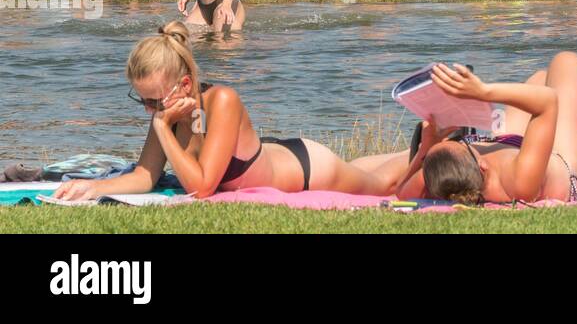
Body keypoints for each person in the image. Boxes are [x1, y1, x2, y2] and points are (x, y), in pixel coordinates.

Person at [52, 23, 401, 200]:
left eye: (155, 101)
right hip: (278, 155)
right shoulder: (168, 111)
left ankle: (437, 142)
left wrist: (162, 128)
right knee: (366, 167)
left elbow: (202, 187)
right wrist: (95, 187)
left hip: (308, 169)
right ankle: (410, 151)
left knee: (384, 185)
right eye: (142, 100)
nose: (149, 110)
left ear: (186, 85)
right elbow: (146, 175)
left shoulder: (222, 101)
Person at [385, 54, 577, 205]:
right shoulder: (519, 183)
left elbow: (402, 190)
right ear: (482, 165)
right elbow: (548, 101)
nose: (456, 141)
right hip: (560, 159)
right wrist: (483, 92)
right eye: (462, 144)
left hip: (510, 145)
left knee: (540, 77)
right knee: (566, 61)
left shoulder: (438, 180)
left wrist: (427, 147)